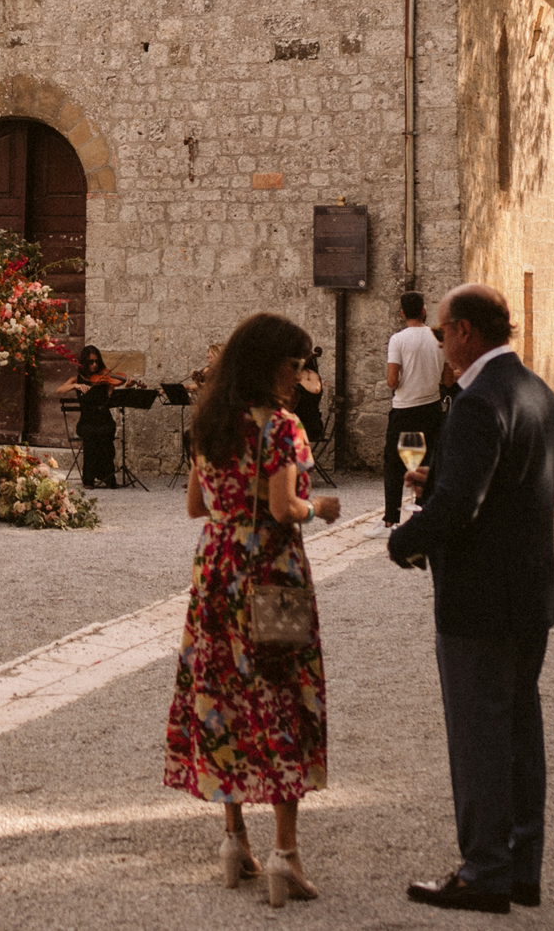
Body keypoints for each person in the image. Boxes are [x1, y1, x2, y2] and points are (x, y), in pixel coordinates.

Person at [389, 284, 554, 915]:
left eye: (441, 334)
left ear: (464, 331)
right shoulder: (536, 391)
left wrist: (404, 539)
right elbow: (504, 482)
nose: (439, 345)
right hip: (529, 592)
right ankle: (520, 867)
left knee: (479, 735)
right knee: (519, 730)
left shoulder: (476, 401)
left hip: (480, 598)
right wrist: (441, 477)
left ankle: (485, 870)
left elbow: (462, 507)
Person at [164, 313, 340, 906]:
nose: (300, 375)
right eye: (293, 364)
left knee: (223, 697)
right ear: (268, 364)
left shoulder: (210, 422)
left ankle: (234, 838)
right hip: (271, 571)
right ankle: (285, 853)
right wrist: (320, 508)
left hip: (216, 572)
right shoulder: (282, 427)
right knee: (283, 695)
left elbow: (195, 506)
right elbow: (284, 508)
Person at [384, 291, 445, 527]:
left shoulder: (398, 339)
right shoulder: (438, 337)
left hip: (405, 408)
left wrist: (404, 381)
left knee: (393, 463)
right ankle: (422, 514)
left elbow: (392, 381)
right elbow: (448, 378)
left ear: (402, 313)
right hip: (431, 407)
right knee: (427, 461)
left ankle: (391, 519)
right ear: (423, 310)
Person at [69, 345, 130, 489]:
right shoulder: (77, 379)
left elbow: (111, 398)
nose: (95, 365)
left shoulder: (105, 380)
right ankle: (88, 479)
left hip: (104, 418)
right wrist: (75, 386)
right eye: (91, 362)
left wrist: (125, 386)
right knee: (92, 436)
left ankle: (107, 476)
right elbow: (60, 389)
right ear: (85, 363)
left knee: (106, 434)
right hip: (86, 421)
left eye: (97, 361)